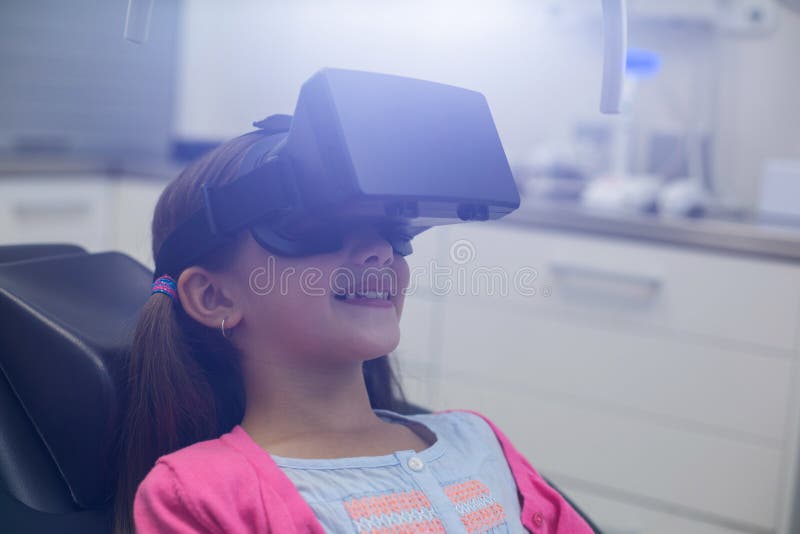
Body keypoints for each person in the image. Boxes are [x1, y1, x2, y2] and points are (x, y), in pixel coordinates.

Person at [113, 126, 596, 534]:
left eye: (394, 233)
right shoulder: (200, 492)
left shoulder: (477, 439)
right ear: (215, 298)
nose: (380, 252)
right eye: (321, 226)